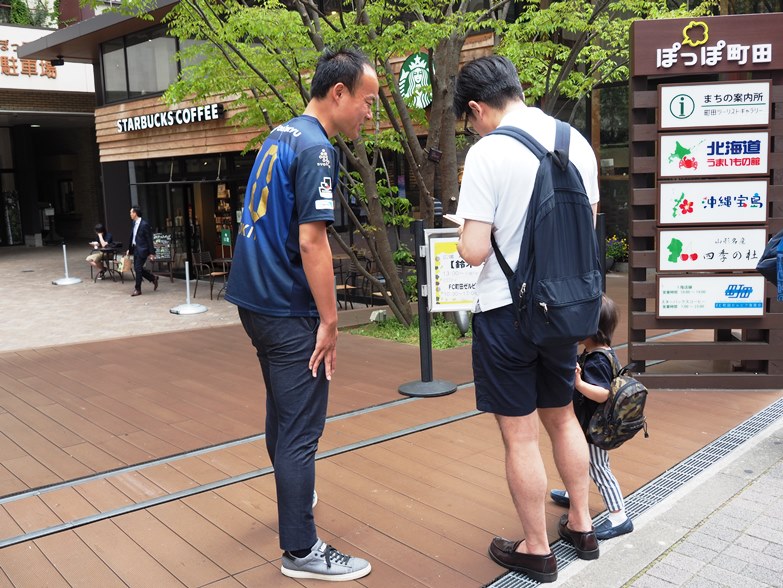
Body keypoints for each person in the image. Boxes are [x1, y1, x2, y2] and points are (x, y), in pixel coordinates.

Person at [225, 47, 378, 582]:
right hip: (287, 307)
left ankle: (296, 495)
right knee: (300, 431)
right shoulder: (317, 148)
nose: (369, 113)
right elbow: (312, 243)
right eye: (366, 101)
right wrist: (330, 323)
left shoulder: (282, 134)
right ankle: (301, 549)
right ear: (338, 92)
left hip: (254, 300)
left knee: (282, 415)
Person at [453, 55, 600, 583]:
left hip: (506, 314)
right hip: (562, 311)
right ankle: (582, 526)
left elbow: (473, 250)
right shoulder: (574, 141)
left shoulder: (487, 152)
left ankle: (536, 549)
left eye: (468, 120)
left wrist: (467, 228)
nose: (472, 129)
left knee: (521, 438)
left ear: (476, 108)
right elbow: (586, 225)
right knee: (562, 418)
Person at [550, 295, 634, 540]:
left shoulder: (598, 360)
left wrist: (578, 383)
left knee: (598, 467)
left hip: (595, 428)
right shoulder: (597, 351)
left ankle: (619, 516)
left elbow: (603, 394)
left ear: (590, 328)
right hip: (588, 422)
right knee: (580, 460)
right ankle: (573, 495)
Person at [126, 206, 158, 296]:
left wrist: (152, 253)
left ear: (135, 213)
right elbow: (133, 236)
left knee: (138, 268)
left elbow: (149, 239)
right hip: (135, 249)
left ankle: (138, 289)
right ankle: (153, 278)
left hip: (143, 250)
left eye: (131, 212)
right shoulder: (134, 223)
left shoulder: (144, 224)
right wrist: (130, 249)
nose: (130, 214)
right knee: (137, 269)